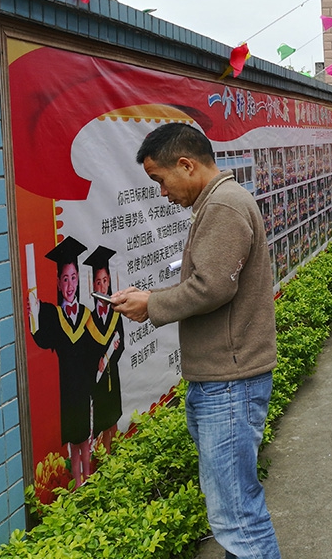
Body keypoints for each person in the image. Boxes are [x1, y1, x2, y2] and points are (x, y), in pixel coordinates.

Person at [112, 123, 282, 558]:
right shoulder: (222, 200)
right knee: (233, 508)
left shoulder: (223, 204)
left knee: (237, 516)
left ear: (186, 165)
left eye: (161, 180)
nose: (163, 193)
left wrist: (151, 304)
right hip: (226, 378)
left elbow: (212, 287)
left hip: (230, 382)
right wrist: (152, 299)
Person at [29, 235, 98, 487]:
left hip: (84, 386)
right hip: (67, 389)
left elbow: (94, 347)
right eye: (65, 279)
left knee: (85, 439)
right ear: (58, 283)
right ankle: (78, 484)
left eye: (73, 278)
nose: (70, 285)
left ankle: (88, 478)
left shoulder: (87, 314)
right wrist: (34, 315)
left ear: (79, 279)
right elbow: (42, 339)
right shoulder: (54, 314)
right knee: (73, 440)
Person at [83, 245, 125, 454]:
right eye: (98, 282)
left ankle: (115, 456)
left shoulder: (115, 313)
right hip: (98, 380)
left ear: (109, 282)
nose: (102, 286)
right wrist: (97, 361)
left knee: (113, 419)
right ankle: (105, 458)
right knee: (102, 422)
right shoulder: (90, 318)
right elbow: (88, 349)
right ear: (93, 285)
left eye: (105, 281)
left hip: (112, 375)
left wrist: (111, 356)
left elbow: (121, 344)